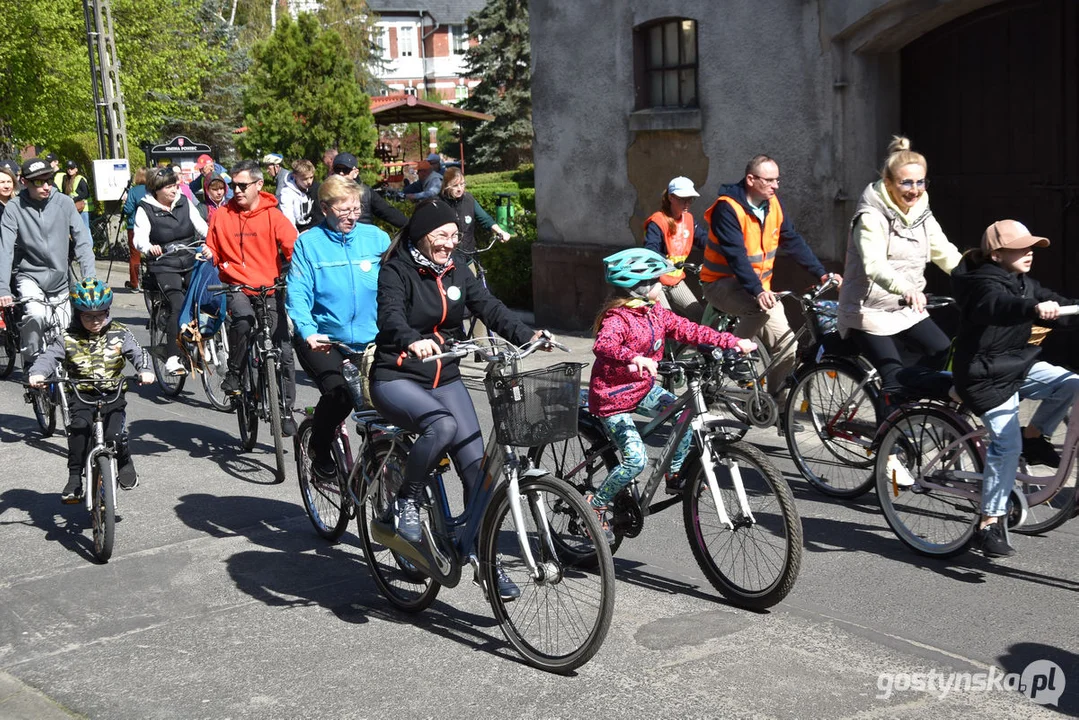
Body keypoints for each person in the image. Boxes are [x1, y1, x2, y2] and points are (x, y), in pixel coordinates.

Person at [369, 199, 544, 559]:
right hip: (398, 375)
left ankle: (485, 559)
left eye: (454, 235)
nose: (449, 243)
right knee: (442, 427)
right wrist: (411, 340)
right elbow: (390, 316)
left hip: (444, 376)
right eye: (441, 235)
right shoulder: (396, 271)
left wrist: (528, 336)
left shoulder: (457, 268)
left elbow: (489, 306)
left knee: (478, 470)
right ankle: (407, 500)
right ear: (420, 235)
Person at [585, 248, 756, 541]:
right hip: (613, 398)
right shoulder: (618, 317)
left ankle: (674, 474)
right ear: (639, 287)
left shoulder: (656, 312)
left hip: (642, 389)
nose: (662, 285)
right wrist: (633, 357)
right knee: (635, 461)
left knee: (684, 414)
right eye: (656, 281)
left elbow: (691, 330)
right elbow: (603, 344)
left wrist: (732, 342)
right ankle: (595, 504)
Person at [951, 220, 1079, 558]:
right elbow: (996, 306)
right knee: (1005, 446)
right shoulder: (982, 284)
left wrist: (1061, 309)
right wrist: (1032, 309)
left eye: (1032, 247)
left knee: (1072, 384)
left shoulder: (1024, 283)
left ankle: (1035, 436)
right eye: (1022, 248)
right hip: (984, 375)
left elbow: (1058, 304)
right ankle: (988, 524)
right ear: (997, 253)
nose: (1030, 253)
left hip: (1016, 366)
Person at [700, 154, 840, 407]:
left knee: (788, 346)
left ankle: (777, 406)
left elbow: (792, 240)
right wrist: (756, 290)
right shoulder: (727, 208)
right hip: (721, 283)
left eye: (778, 180)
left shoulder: (772, 204)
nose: (776, 186)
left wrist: (821, 273)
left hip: (757, 289)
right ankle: (732, 353)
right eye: (770, 180)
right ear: (751, 179)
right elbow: (736, 256)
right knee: (758, 307)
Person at [837, 136, 962, 396]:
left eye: (920, 182)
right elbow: (874, 266)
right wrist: (906, 289)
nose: (914, 190)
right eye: (906, 182)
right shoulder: (870, 217)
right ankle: (889, 431)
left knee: (942, 351)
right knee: (894, 381)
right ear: (889, 183)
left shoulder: (921, 213)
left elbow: (945, 252)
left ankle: (912, 409)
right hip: (866, 311)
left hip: (905, 308)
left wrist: (978, 277)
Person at [286, 175, 391, 478]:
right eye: (344, 210)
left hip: (373, 339)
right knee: (341, 394)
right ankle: (319, 447)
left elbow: (395, 286)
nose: (352, 217)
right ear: (324, 208)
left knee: (392, 396)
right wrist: (307, 331)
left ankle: (382, 458)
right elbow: (298, 293)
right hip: (325, 340)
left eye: (356, 209)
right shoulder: (309, 243)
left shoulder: (376, 238)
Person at [27, 279, 154, 502]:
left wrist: (145, 370)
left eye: (100, 315)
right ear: (78, 315)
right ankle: (75, 476)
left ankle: (124, 460)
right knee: (78, 429)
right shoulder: (66, 338)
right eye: (88, 316)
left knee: (114, 435)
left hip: (112, 394)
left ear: (108, 312)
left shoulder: (120, 333)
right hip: (80, 395)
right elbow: (47, 358)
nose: (95, 321)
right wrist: (38, 373)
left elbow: (138, 352)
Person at [203, 159, 298, 436]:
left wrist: (296, 274)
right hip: (236, 285)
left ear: (259, 185)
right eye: (234, 185)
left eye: (242, 185)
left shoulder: (273, 216)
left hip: (268, 287)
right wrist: (211, 254)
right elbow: (213, 246)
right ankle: (235, 373)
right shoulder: (222, 216)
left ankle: (286, 409)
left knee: (284, 348)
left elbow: (293, 248)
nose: (237, 190)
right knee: (243, 320)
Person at [0, 158, 95, 368]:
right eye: (38, 182)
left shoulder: (65, 203)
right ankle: (33, 363)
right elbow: (5, 250)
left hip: (61, 279)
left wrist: (90, 279)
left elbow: (82, 242)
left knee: (65, 332)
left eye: (49, 180)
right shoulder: (14, 208)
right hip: (29, 276)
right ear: (24, 182)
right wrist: (3, 288)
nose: (46, 186)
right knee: (35, 314)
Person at [132, 166, 209, 375]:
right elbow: (139, 238)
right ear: (157, 189)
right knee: (178, 304)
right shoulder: (145, 208)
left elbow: (202, 227)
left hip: (189, 259)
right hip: (164, 264)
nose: (174, 190)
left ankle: (205, 341)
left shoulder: (184, 202)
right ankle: (172, 358)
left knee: (208, 298)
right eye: (169, 187)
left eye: (175, 185)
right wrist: (148, 247)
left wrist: (213, 242)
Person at [643, 176, 710, 321]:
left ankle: (690, 344)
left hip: (676, 280)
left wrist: (723, 248)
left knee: (699, 316)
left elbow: (704, 240)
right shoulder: (657, 221)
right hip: (656, 281)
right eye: (682, 199)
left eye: (690, 199)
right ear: (671, 197)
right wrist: (665, 263)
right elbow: (651, 250)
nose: (687, 203)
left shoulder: (689, 220)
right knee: (664, 320)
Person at [329, 153, 407, 229]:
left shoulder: (366, 193)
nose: (341, 173)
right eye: (337, 169)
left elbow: (388, 212)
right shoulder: (327, 193)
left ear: (355, 172)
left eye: (346, 170)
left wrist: (411, 227)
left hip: (362, 238)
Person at [122, 167, 148, 291]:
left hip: (134, 226)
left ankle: (134, 283)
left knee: (134, 255)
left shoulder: (133, 191)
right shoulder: (152, 190)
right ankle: (150, 281)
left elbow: (128, 209)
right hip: (150, 225)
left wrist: (124, 203)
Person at [278, 159, 321, 232]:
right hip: (298, 232)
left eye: (311, 177)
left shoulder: (316, 188)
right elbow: (289, 220)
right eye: (305, 179)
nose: (309, 182)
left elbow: (320, 215)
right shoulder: (287, 194)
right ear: (295, 177)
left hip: (314, 229)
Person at [55, 160, 91, 231]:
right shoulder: (67, 180)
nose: (70, 170)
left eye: (72, 168)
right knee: (76, 229)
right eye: (68, 168)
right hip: (74, 207)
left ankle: (88, 242)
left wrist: (74, 199)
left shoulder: (80, 178)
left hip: (83, 207)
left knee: (85, 229)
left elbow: (86, 193)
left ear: (76, 169)